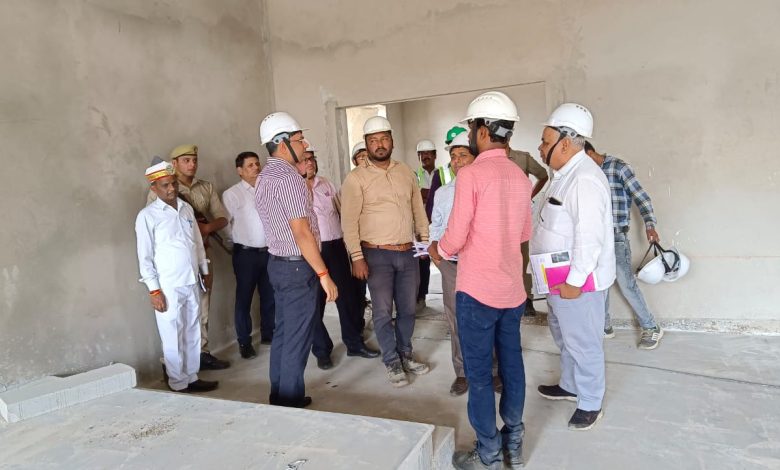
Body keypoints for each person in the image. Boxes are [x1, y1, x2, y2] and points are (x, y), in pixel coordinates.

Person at [430, 91, 531, 470]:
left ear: (484, 131)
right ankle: (513, 443)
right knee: (512, 366)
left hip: (477, 293)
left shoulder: (471, 175)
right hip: (512, 291)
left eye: (472, 127)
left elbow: (455, 237)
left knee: (479, 374)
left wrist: (439, 248)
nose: (470, 134)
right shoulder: (520, 176)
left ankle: (488, 451)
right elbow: (523, 233)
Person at [533, 103, 615, 431]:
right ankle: (569, 385)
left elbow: (590, 237)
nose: (540, 147)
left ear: (565, 143)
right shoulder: (563, 176)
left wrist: (576, 281)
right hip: (557, 276)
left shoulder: (584, 179)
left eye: (545, 141)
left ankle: (591, 401)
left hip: (578, 282)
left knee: (583, 342)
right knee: (565, 336)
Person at [255, 112, 338, 408]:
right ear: (282, 143)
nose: (305, 144)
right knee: (297, 338)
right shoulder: (289, 178)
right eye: (300, 139)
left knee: (284, 332)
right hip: (297, 266)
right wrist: (324, 274)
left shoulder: (264, 176)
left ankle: (278, 394)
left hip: (278, 263)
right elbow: (301, 232)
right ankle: (289, 401)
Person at [341, 115, 430, 388]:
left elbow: (418, 209)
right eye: (373, 140)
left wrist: (424, 242)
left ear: (392, 140)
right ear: (366, 144)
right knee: (382, 311)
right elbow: (349, 222)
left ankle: (405, 353)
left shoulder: (406, 172)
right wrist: (357, 257)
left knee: (408, 309)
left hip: (407, 252)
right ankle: (391, 361)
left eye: (384, 139)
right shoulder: (356, 178)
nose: (379, 144)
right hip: (376, 254)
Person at [135, 157, 218, 393]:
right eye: (165, 185)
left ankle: (191, 376)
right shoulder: (147, 216)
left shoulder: (186, 209)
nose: (171, 189)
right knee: (172, 334)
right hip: (168, 285)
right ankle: (178, 382)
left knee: (192, 330)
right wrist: (154, 290)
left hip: (191, 280)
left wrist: (204, 270)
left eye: (173, 183)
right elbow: (145, 257)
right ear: (154, 188)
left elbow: (197, 244)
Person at [147, 144, 230, 371]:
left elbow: (222, 217)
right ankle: (177, 365)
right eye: (186, 160)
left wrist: (206, 229)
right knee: (174, 315)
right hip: (173, 262)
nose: (192, 164)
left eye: (194, 160)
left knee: (202, 305)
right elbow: (155, 228)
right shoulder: (160, 191)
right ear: (174, 164)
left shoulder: (205, 187)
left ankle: (201, 353)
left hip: (201, 253)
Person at [302, 145, 380, 369]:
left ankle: (354, 343)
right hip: (312, 250)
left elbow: (341, 212)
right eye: (305, 159)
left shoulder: (326, 184)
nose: (310, 163)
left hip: (336, 246)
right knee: (314, 303)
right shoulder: (294, 189)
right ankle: (322, 350)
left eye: (312, 158)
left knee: (347, 298)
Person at [584, 141, 664, 349]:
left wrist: (649, 225)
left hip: (616, 236)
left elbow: (641, 197)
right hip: (595, 238)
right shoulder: (587, 174)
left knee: (626, 284)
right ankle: (604, 326)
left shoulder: (618, 167)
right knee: (599, 283)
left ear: (590, 153)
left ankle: (651, 326)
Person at [222, 151, 275, 360]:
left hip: (268, 251)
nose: (256, 168)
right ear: (240, 170)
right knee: (244, 298)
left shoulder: (266, 189)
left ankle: (269, 334)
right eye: (250, 165)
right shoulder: (232, 194)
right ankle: (244, 342)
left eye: (257, 164)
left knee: (269, 295)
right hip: (245, 254)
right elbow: (225, 224)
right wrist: (235, 243)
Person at [507, 146, 549, 316]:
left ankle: (526, 299)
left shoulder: (522, 158)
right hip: (495, 215)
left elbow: (543, 175)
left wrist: (529, 196)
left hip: (518, 217)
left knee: (521, 259)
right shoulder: (485, 157)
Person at [414, 138, 438, 310]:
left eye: (428, 153)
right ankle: (420, 296)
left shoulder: (443, 174)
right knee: (422, 260)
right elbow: (415, 196)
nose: (425, 156)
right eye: (422, 154)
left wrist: (425, 194)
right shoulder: (414, 175)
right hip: (421, 226)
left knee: (443, 259)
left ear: (435, 155)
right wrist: (432, 193)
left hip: (438, 226)